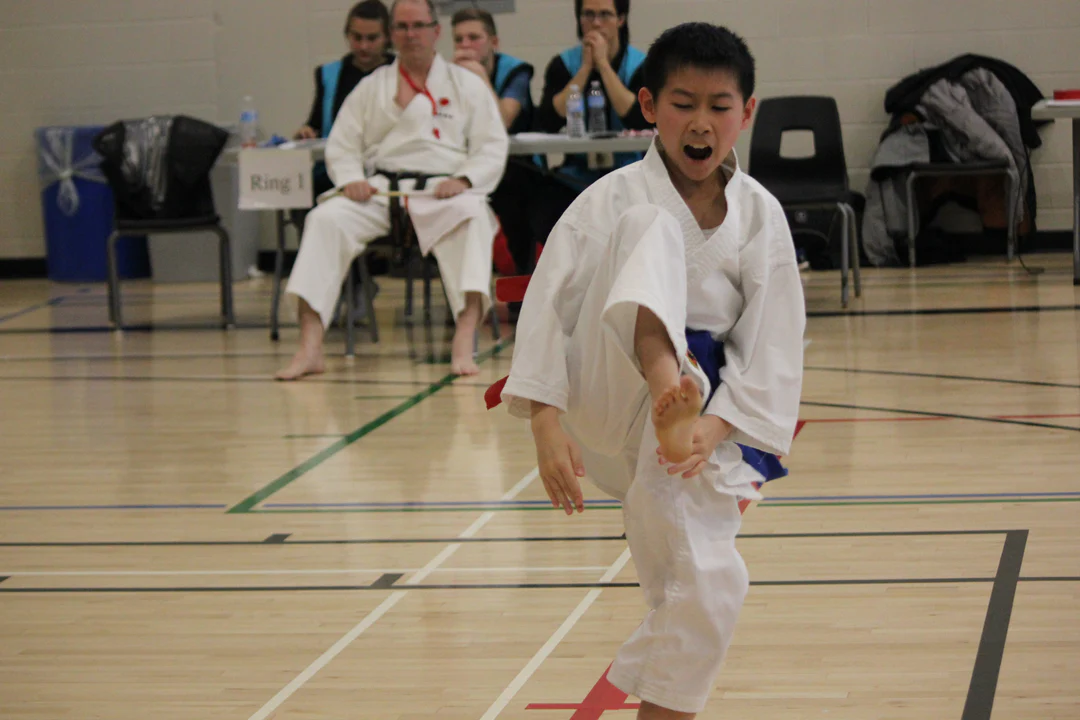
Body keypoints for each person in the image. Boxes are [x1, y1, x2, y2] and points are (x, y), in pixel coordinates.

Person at [499, 23, 805, 719]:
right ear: (648, 105)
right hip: (608, 390)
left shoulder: (760, 216)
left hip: (695, 421)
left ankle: (680, 398)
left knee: (708, 583)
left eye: (720, 106)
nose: (701, 124)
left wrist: (717, 424)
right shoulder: (609, 201)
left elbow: (776, 344)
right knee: (650, 229)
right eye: (682, 103)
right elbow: (547, 306)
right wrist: (544, 422)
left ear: (747, 111)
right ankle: (665, 367)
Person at [276, 0, 509, 381]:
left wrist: (465, 180)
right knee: (324, 219)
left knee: (473, 219)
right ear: (391, 34)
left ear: (436, 30)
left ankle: (464, 337)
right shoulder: (372, 87)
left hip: (442, 191)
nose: (410, 34)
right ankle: (310, 345)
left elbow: (492, 146)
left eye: (418, 26)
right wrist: (352, 178)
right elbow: (342, 144)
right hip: (381, 190)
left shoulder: (465, 84)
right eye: (401, 27)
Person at [535, 0, 651, 185]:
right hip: (577, 172)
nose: (596, 23)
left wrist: (603, 65)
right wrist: (586, 68)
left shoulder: (641, 64)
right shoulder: (563, 63)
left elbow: (640, 119)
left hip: (630, 170)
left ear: (620, 19)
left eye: (605, 15)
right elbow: (548, 121)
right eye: (588, 15)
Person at [295, 0, 395, 197]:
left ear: (387, 38)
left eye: (372, 38)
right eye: (357, 37)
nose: (363, 46)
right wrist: (307, 132)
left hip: (388, 168)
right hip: (335, 171)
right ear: (347, 35)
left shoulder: (401, 73)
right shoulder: (328, 74)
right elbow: (317, 125)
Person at [450, 8, 534, 134]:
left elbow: (503, 123)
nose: (465, 45)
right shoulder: (449, 73)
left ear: (494, 43)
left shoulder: (517, 71)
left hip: (516, 152)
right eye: (458, 39)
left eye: (473, 37)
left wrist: (482, 77)